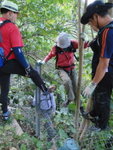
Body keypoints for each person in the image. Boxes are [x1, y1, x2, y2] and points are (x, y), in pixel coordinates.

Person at [0, 1, 49, 120]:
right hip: (8, 63)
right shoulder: (11, 27)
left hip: (1, 63)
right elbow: (18, 51)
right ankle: (45, 91)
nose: (17, 16)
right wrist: (26, 67)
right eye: (16, 13)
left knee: (4, 88)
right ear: (10, 13)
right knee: (33, 72)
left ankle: (5, 113)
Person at [81, 0, 113, 131]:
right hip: (106, 71)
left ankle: (101, 126)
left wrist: (93, 84)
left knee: (102, 97)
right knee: (100, 96)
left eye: (90, 21)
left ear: (95, 16)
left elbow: (104, 63)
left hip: (107, 72)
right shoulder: (106, 30)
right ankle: (94, 115)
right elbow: (101, 47)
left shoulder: (107, 32)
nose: (90, 25)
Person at [38, 32, 88, 106]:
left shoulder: (73, 43)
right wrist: (44, 61)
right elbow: (50, 55)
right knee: (67, 81)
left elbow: (84, 45)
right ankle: (70, 98)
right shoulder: (56, 48)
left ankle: (79, 106)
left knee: (76, 87)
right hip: (61, 69)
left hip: (71, 68)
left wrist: (84, 39)